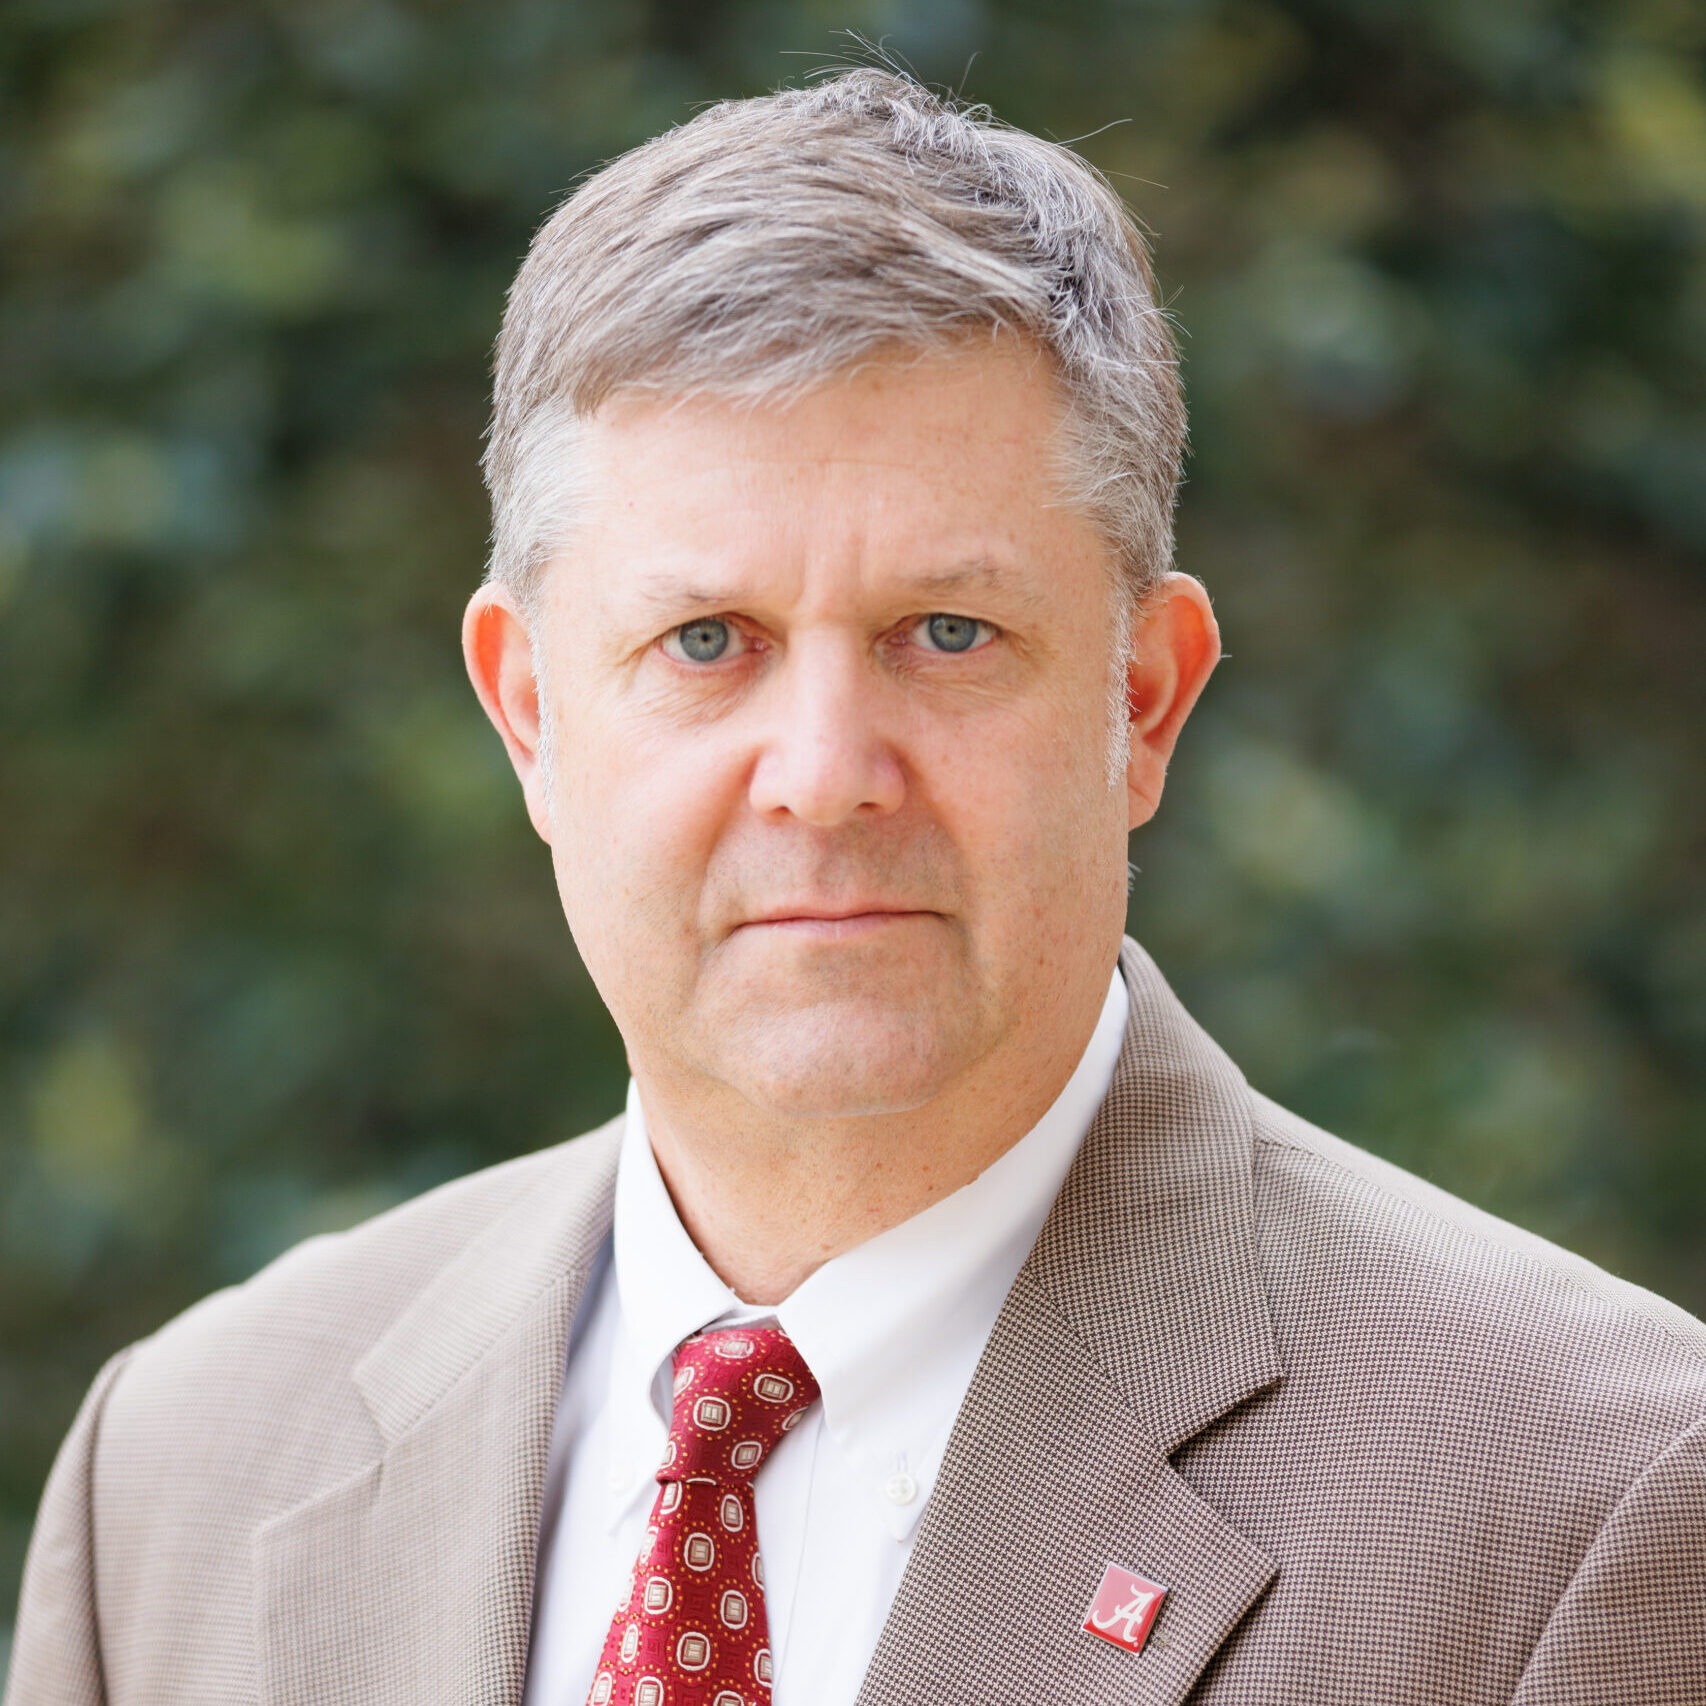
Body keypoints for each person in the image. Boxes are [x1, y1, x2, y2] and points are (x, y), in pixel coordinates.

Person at [8, 68, 1705, 1706]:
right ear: (530, 713)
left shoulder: (1591, 1501)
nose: (823, 769)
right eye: (704, 642)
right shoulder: (180, 1472)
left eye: (946, 634)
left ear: (1141, 701)